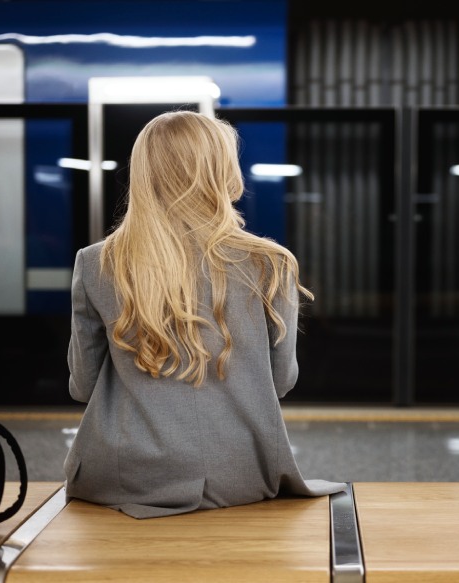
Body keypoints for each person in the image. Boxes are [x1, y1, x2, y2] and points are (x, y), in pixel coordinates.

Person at [63, 110, 345, 519]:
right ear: (221, 171)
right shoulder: (270, 263)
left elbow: (83, 386)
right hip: (241, 477)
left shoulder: (95, 263)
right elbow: (281, 381)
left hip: (125, 479)